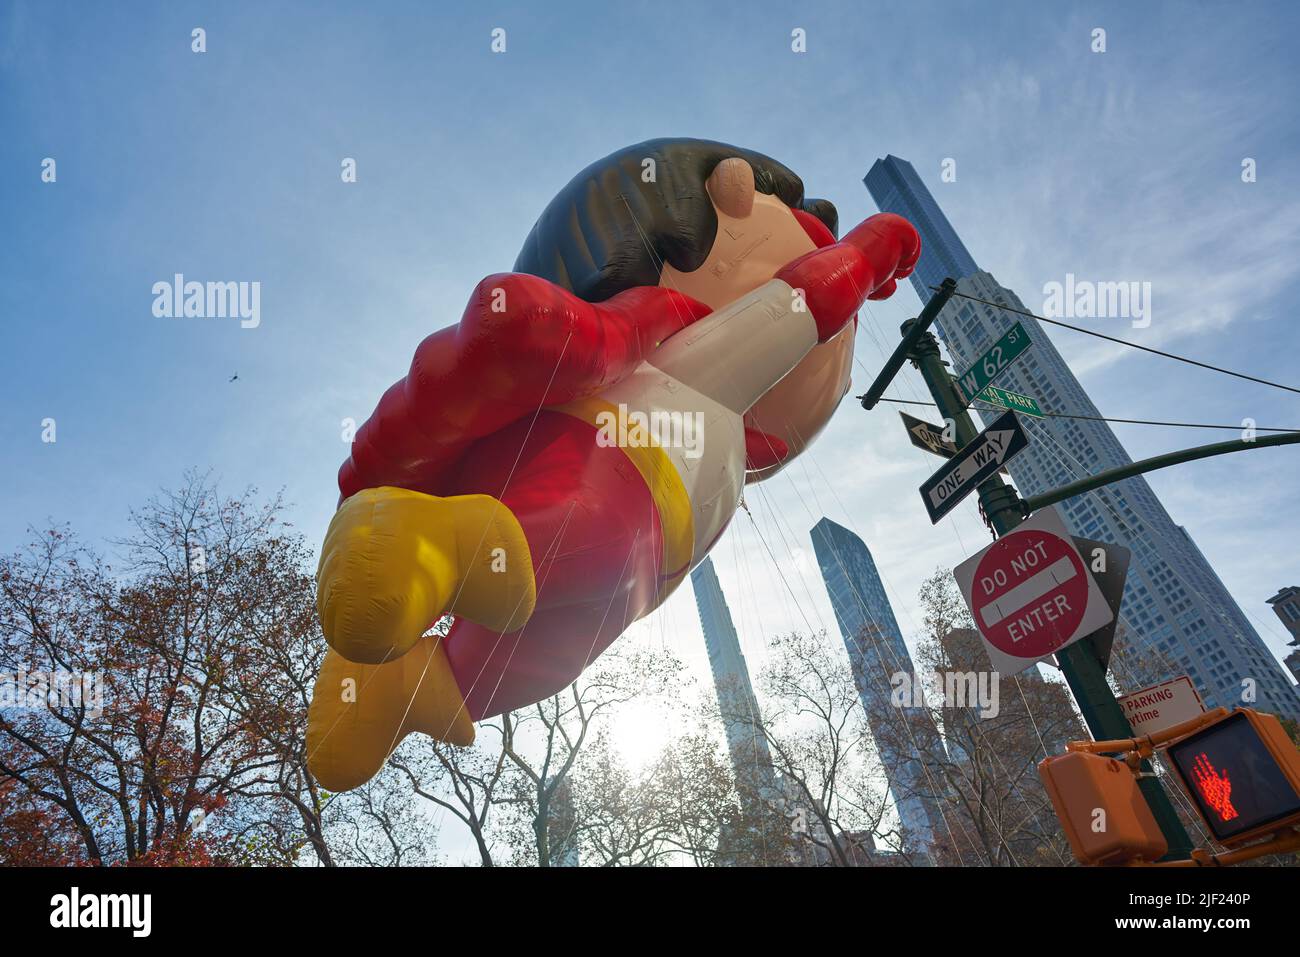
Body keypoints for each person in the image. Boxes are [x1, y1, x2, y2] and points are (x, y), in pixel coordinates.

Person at [307, 137, 920, 791]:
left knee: (552, 647)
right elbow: (809, 301)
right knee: (591, 535)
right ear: (729, 195)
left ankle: (404, 685)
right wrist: (873, 249)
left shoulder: (733, 440)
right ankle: (430, 549)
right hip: (626, 467)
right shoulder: (709, 360)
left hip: (641, 559)